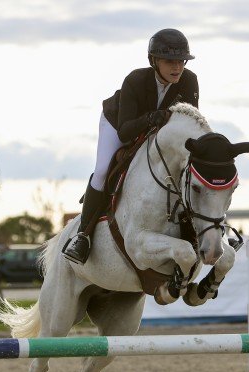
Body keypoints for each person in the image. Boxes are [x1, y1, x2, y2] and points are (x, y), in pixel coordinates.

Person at [62, 28, 199, 265]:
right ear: (154, 61)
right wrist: (150, 118)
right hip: (118, 125)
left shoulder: (189, 80)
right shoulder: (136, 80)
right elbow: (125, 131)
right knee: (104, 169)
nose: (177, 68)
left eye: (181, 61)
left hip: (157, 132)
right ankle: (82, 236)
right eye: (170, 61)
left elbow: (189, 122)